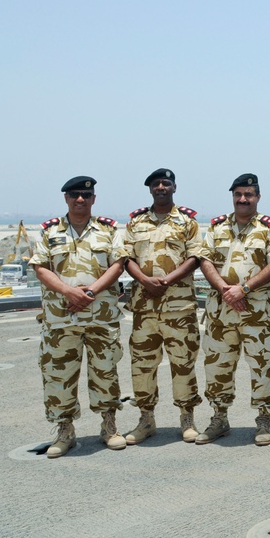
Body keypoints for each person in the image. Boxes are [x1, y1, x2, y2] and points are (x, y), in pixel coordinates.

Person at [29, 176, 128, 458]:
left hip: (101, 318)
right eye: (74, 195)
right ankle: (65, 431)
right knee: (58, 376)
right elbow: (41, 268)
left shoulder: (108, 231)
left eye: (86, 195)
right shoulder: (49, 232)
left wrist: (91, 292)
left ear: (93, 198)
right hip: (60, 319)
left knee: (105, 373)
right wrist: (69, 292)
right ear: (66, 198)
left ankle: (109, 427)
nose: (80, 199)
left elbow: (118, 264)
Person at [197, 173, 270, 446]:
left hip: (260, 313)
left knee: (264, 366)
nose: (243, 199)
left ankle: (263, 420)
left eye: (248, 194)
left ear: (258, 197)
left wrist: (243, 289)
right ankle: (219, 418)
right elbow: (205, 260)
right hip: (221, 312)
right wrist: (226, 290)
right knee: (217, 366)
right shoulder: (216, 227)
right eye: (238, 194)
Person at [122, 168, 203, 445]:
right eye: (156, 184)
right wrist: (144, 280)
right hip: (144, 309)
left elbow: (196, 256)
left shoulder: (188, 221)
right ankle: (146, 419)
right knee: (142, 365)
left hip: (179, 307)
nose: (161, 187)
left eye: (165, 183)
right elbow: (126, 256)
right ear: (150, 189)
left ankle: (187, 418)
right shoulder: (136, 222)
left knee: (184, 363)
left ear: (174, 188)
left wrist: (166, 280)